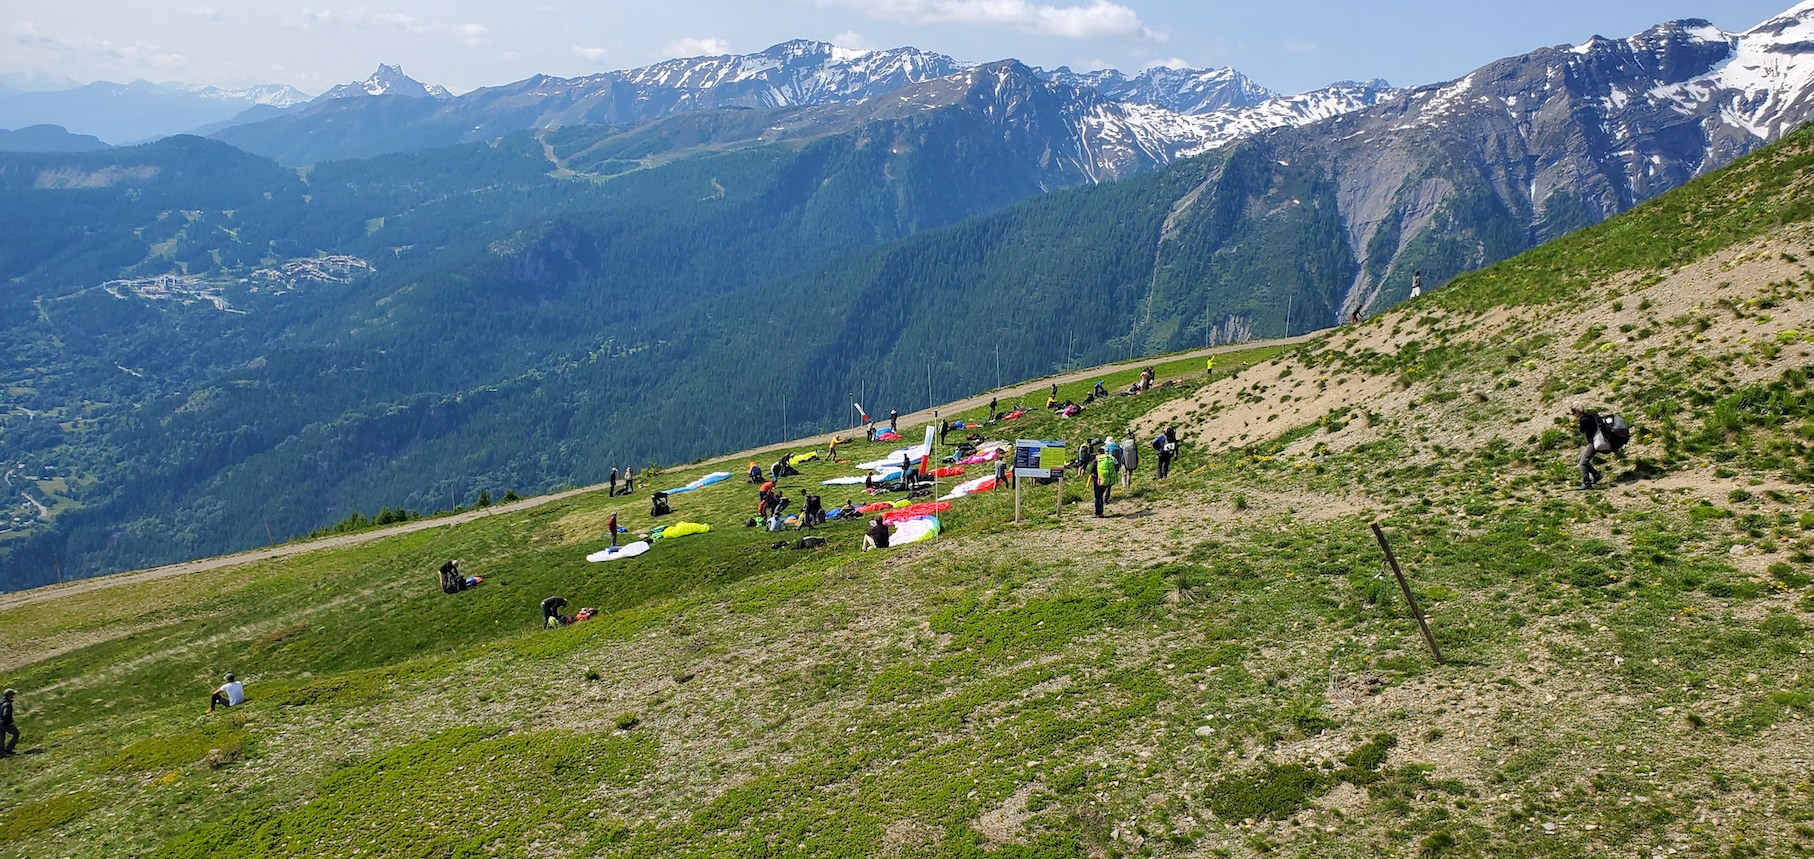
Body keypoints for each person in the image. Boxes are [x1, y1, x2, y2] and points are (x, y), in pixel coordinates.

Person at [1572, 406, 1609, 490]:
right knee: (1580, 458)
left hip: (1594, 442)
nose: (1573, 415)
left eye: (1574, 413)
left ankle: (1587, 483)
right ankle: (1596, 475)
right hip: (1597, 440)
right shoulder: (1591, 415)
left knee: (1582, 463)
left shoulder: (1583, 420)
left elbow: (1582, 430)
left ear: (1577, 412)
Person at [1092, 447, 1119, 517]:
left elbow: (1092, 469)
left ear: (1098, 453)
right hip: (1108, 479)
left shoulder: (1098, 459)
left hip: (1098, 480)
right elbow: (1117, 466)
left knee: (1098, 497)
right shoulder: (1110, 457)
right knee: (1101, 495)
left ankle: (1098, 513)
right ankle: (1101, 512)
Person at [1, 689, 17, 757]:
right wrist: (9, 722)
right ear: (9, 695)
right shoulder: (7, 704)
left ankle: (1, 753)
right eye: (12, 694)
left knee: (1, 738)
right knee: (16, 734)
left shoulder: (1, 702)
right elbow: (6, 715)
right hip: (5, 723)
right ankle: (9, 749)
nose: (13, 696)